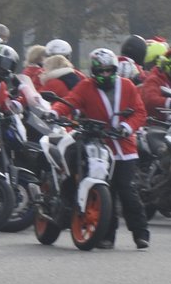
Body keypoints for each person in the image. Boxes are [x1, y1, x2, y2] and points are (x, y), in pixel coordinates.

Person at [53, 48, 150, 250]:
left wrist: (127, 126)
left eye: (109, 70)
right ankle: (106, 236)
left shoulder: (127, 86)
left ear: (115, 69)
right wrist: (54, 112)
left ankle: (141, 233)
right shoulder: (85, 86)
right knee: (107, 191)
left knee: (127, 190)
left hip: (124, 146)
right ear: (94, 71)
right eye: (101, 71)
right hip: (97, 144)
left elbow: (140, 112)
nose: (105, 74)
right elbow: (69, 102)